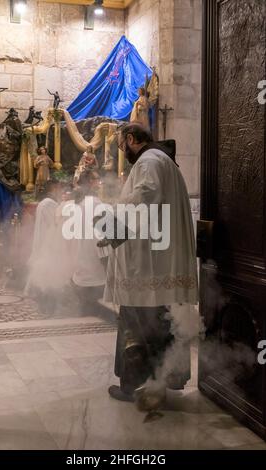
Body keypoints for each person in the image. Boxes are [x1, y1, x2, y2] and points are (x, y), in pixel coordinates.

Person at [103, 123, 198, 402]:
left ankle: (131, 386)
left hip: (147, 265)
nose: (124, 152)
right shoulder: (163, 160)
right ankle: (167, 378)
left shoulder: (148, 161)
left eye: (122, 146)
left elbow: (144, 197)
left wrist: (111, 228)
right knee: (163, 323)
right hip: (160, 260)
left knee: (138, 322)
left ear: (131, 139)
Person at [71, 170, 113, 321]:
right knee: (95, 317)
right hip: (95, 273)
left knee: (85, 315)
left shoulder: (79, 204)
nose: (100, 182)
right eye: (97, 179)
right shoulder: (97, 204)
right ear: (90, 182)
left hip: (81, 269)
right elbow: (111, 236)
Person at [25, 179, 63, 315]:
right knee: (48, 276)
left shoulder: (44, 203)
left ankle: (45, 305)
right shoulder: (50, 204)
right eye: (59, 188)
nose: (61, 191)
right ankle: (47, 307)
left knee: (43, 274)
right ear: (53, 188)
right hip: (48, 243)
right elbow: (55, 223)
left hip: (44, 241)